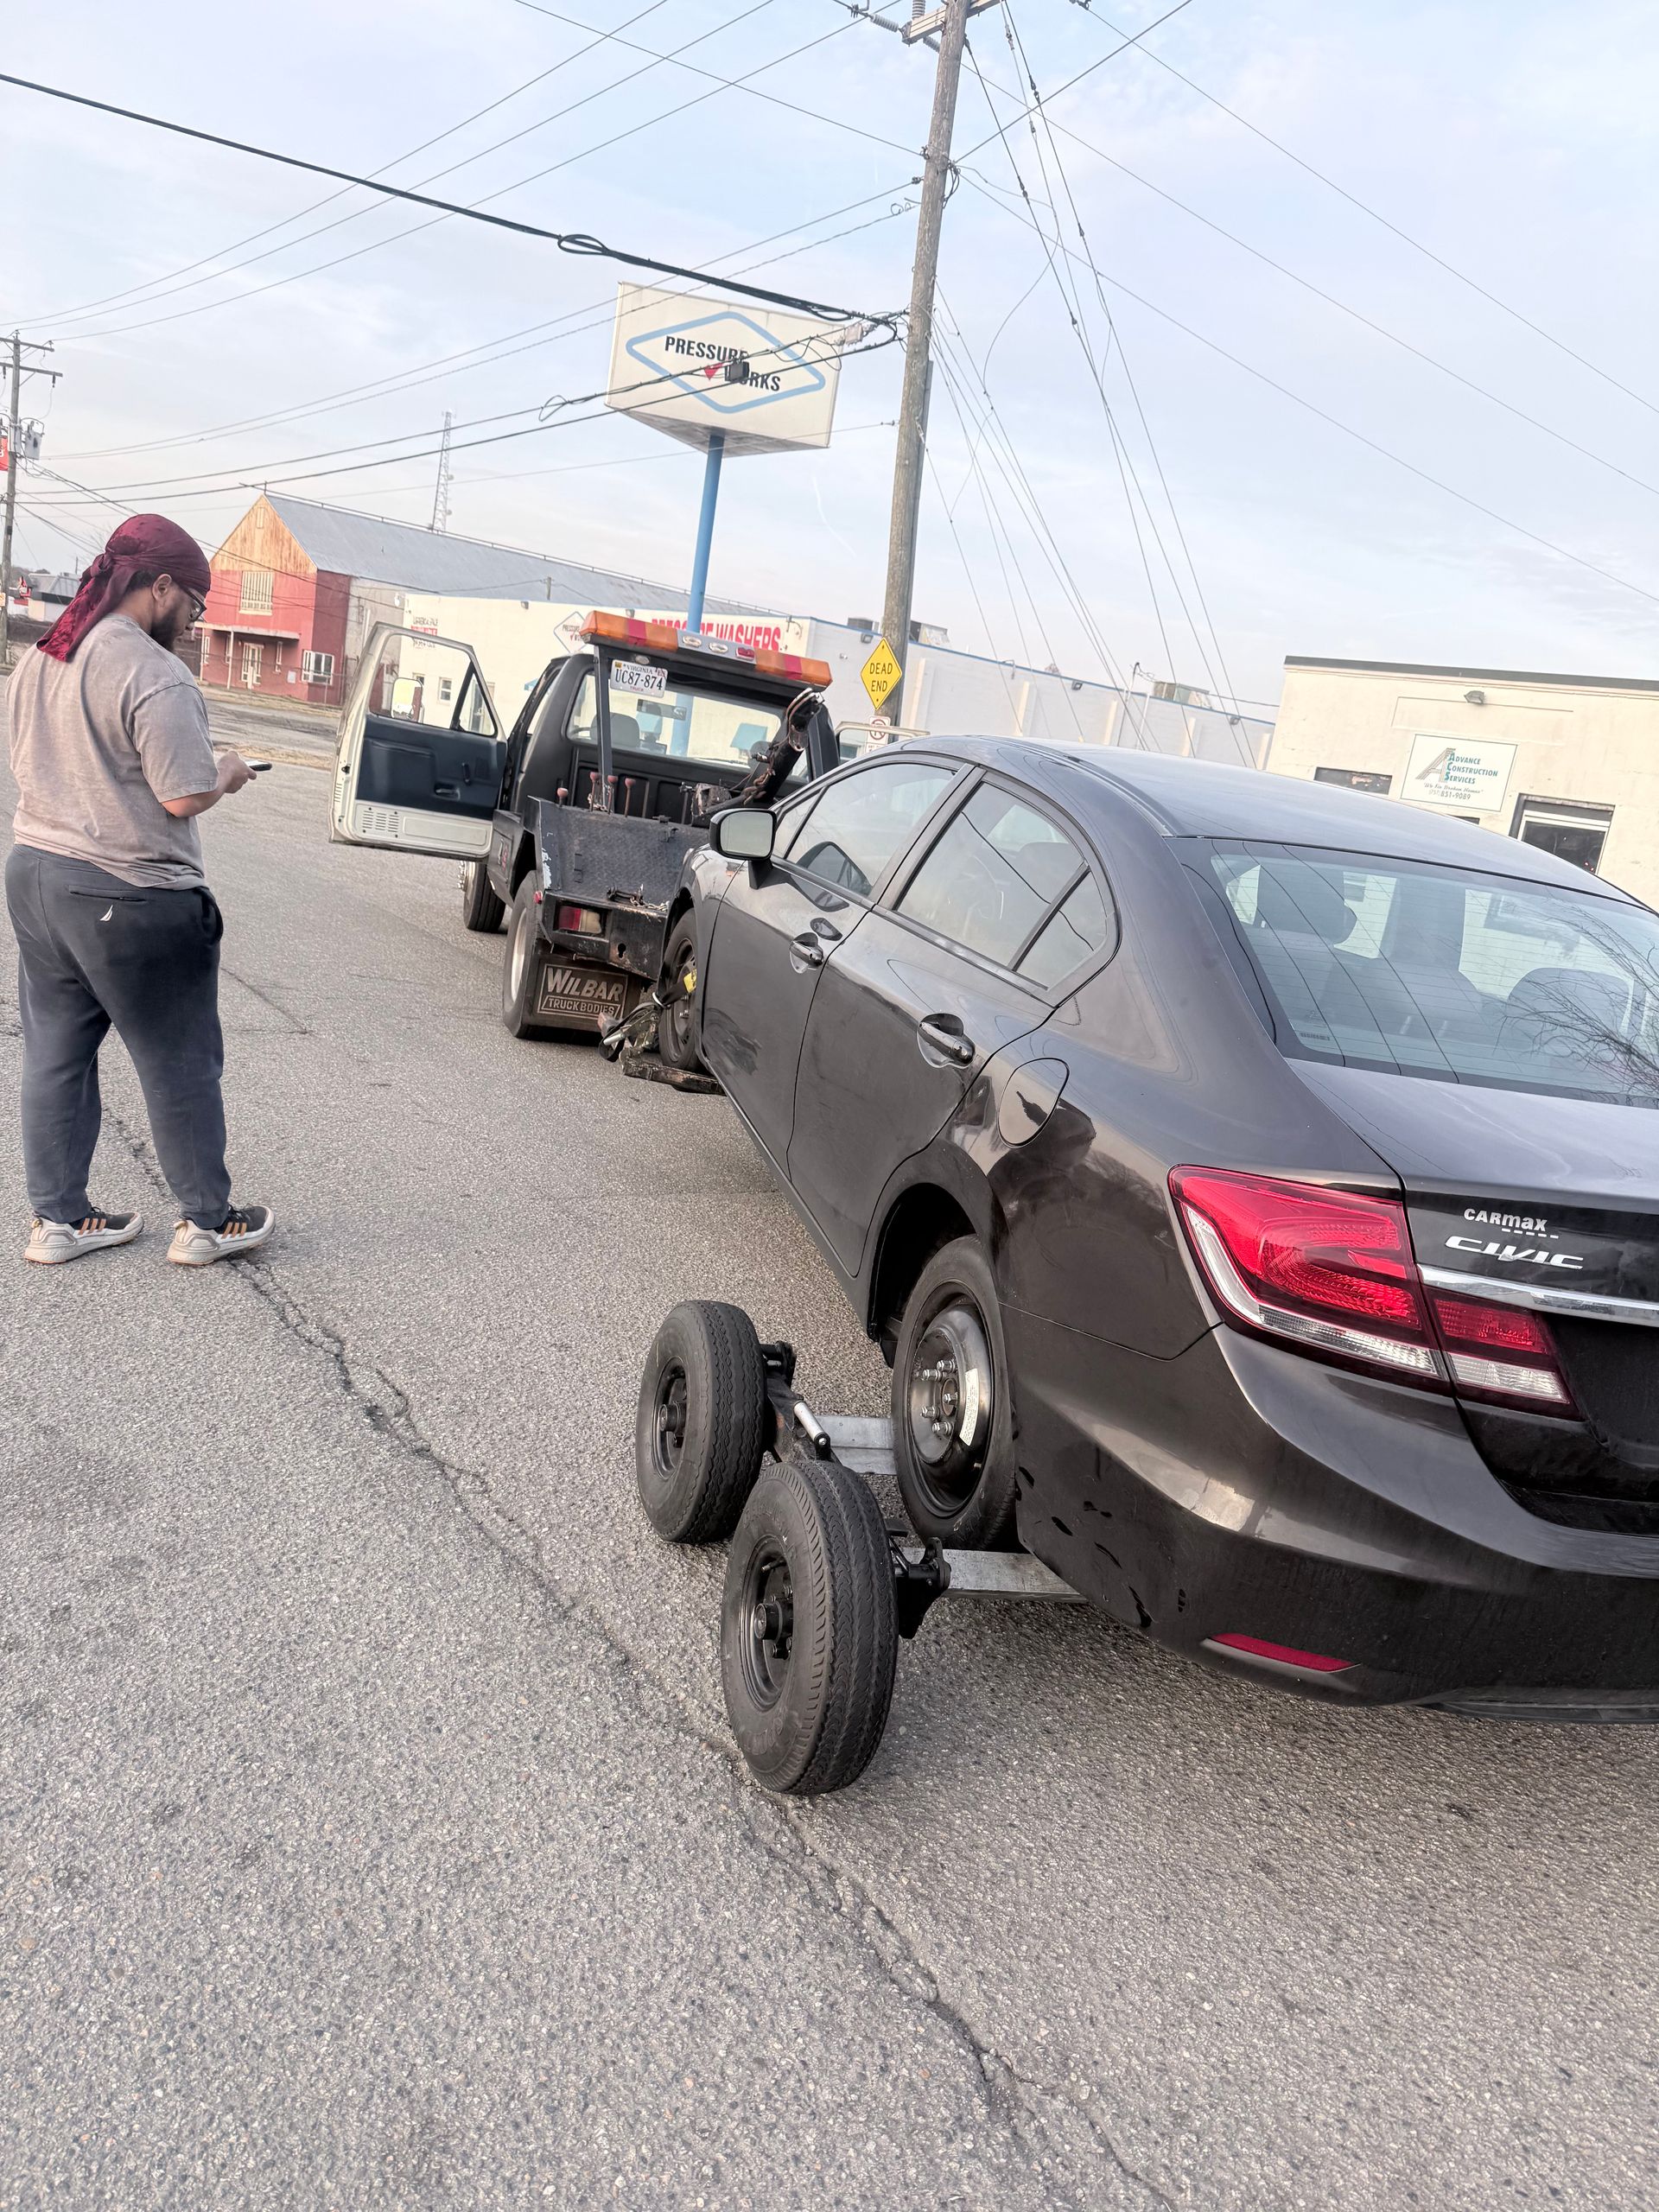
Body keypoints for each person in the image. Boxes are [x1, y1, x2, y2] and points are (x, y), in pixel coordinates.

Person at [4, 512, 273, 1266]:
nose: (193, 619)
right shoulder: (154, 674)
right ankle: (207, 1224)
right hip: (131, 894)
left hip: (36, 873)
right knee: (178, 1060)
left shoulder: (44, 656)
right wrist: (228, 771)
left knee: (56, 1052)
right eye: (193, 601)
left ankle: (57, 1221)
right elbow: (184, 795)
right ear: (158, 587)